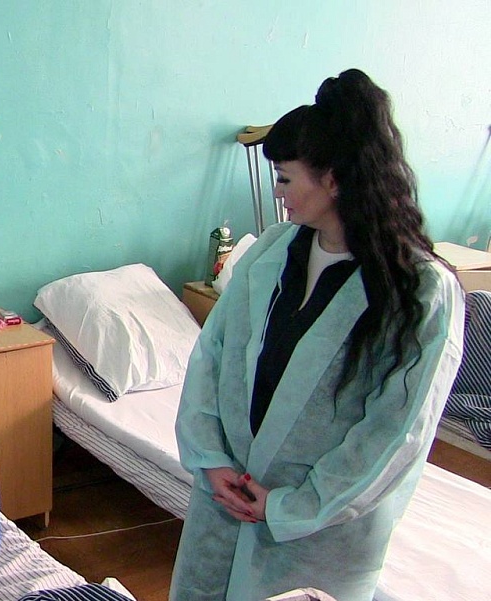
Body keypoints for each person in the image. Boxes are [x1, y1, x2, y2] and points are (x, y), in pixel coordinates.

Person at [171, 69, 465, 601]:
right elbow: (212, 356)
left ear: (333, 180)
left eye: (285, 179)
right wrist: (210, 459)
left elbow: (395, 434)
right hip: (225, 501)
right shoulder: (271, 252)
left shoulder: (420, 292)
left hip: (319, 534)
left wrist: (290, 506)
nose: (277, 192)